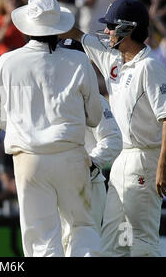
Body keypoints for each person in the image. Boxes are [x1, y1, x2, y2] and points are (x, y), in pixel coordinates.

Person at [0, 0, 102, 257]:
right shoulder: (78, 61)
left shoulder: (7, 61)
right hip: (70, 154)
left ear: (27, 26)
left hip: (28, 159)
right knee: (81, 227)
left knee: (41, 238)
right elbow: (96, 116)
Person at [61, 0, 166, 256]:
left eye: (111, 26)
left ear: (128, 28)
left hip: (146, 160)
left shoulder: (149, 67)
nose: (106, 31)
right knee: (114, 246)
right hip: (122, 159)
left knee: (142, 242)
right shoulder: (113, 60)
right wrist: (38, 6)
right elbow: (74, 33)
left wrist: (162, 168)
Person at [61, 94, 122, 255]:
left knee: (84, 248)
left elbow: (113, 139)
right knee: (54, 246)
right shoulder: (42, 95)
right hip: (51, 185)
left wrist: (90, 165)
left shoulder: (92, 98)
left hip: (88, 185)